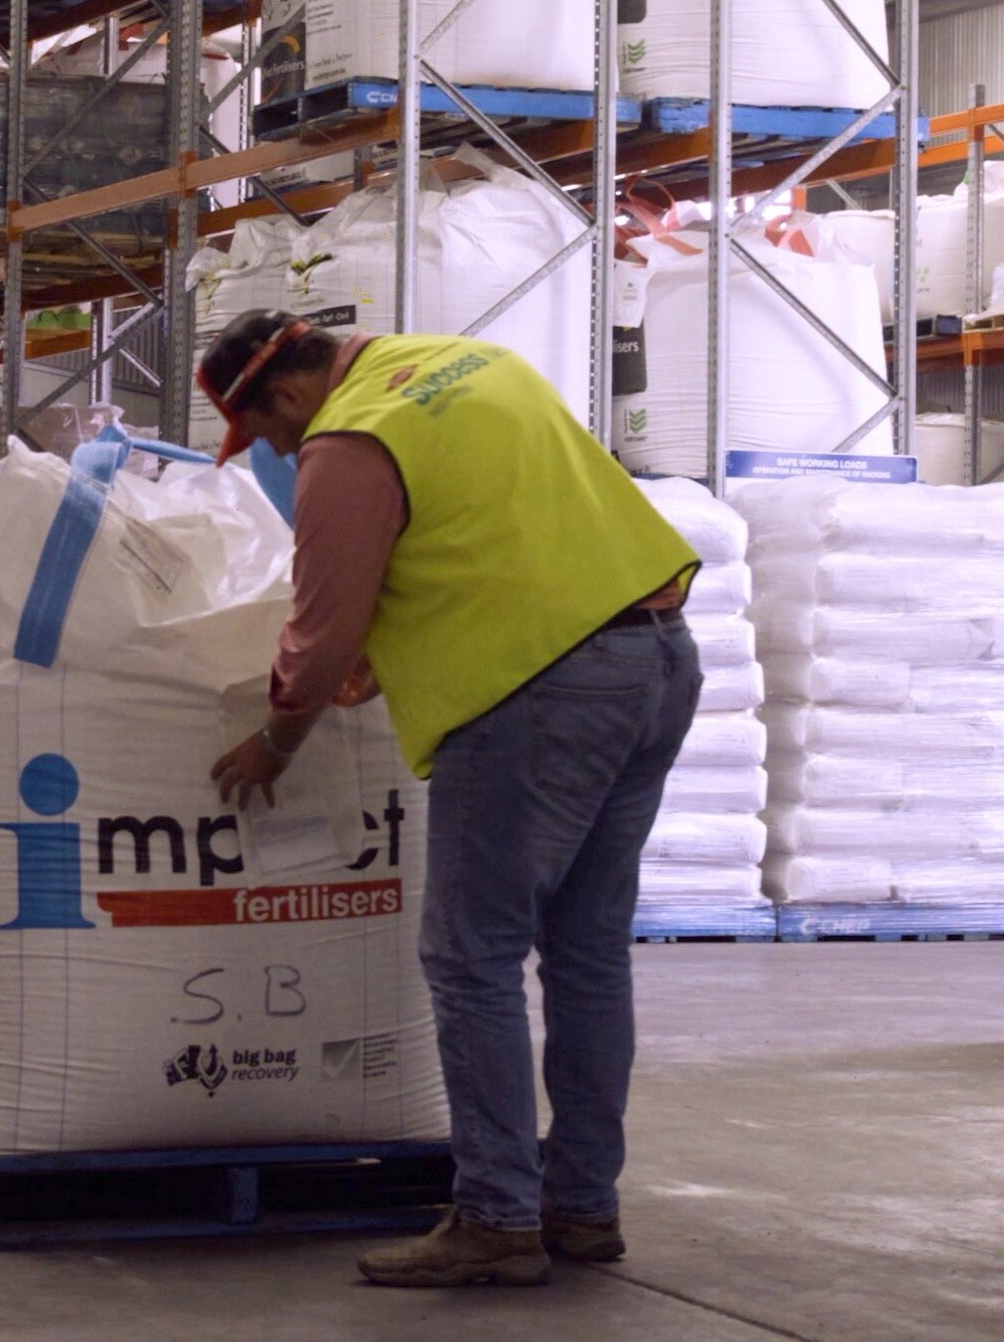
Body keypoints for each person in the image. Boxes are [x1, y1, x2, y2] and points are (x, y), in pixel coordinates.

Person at [197, 309, 702, 1290]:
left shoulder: (349, 439)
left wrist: (277, 740)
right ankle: (581, 1206)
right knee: (588, 953)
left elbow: (321, 631)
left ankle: (497, 1217)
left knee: (472, 956)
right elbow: (497, 538)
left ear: (290, 394)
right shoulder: (474, 364)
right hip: (657, 661)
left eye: (266, 433)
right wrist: (400, 649)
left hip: (538, 697)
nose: (278, 451)